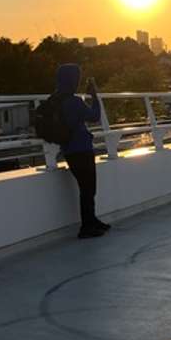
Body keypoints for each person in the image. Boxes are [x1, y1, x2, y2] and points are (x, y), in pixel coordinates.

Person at [56, 64, 110, 239]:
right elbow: (94, 116)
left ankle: (92, 220)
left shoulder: (55, 100)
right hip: (82, 149)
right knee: (88, 189)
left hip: (69, 150)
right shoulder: (74, 102)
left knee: (85, 188)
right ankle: (87, 226)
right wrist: (94, 96)